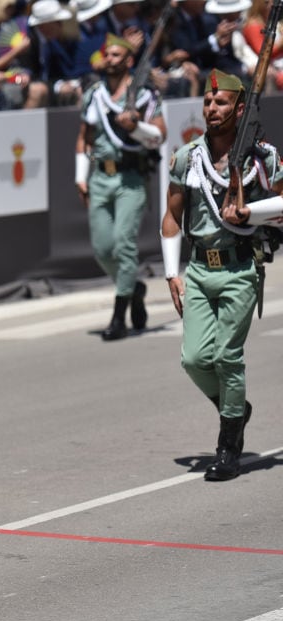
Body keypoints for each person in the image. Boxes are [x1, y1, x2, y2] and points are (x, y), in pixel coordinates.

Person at [161, 69, 283, 480]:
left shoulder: (260, 156)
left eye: (222, 103)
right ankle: (236, 409)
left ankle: (228, 445)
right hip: (198, 269)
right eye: (209, 103)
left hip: (239, 267)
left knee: (226, 357)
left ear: (240, 108)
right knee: (194, 359)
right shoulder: (187, 157)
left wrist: (253, 212)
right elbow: (172, 217)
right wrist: (171, 274)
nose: (212, 109)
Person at [75, 33, 166, 341]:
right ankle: (135, 288)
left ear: (128, 61)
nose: (109, 60)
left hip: (131, 178)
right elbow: (84, 138)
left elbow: (159, 136)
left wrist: (135, 126)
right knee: (103, 248)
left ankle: (119, 315)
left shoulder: (144, 95)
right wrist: (80, 176)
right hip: (100, 177)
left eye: (116, 55)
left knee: (123, 242)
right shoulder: (94, 94)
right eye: (107, 55)